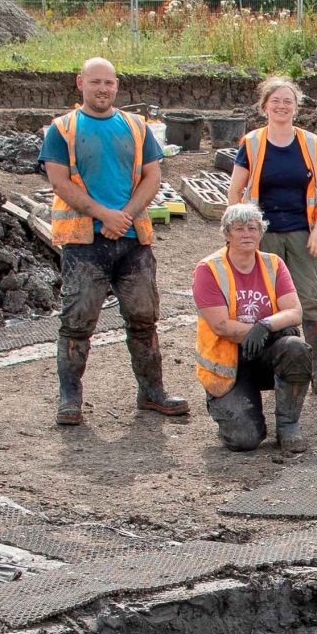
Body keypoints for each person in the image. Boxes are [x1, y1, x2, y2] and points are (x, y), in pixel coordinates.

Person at [39, 56, 186, 426]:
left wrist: (126, 215)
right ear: (80, 83)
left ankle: (152, 393)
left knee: (143, 319)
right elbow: (59, 182)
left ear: (117, 85)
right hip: (84, 243)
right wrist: (105, 215)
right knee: (77, 322)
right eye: (95, 82)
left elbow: (152, 177)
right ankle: (70, 400)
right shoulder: (62, 129)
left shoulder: (137, 127)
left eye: (109, 83)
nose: (102, 89)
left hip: (133, 241)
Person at [226, 75, 317, 395]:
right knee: (267, 303)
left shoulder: (311, 143)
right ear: (264, 107)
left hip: (303, 234)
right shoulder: (252, 143)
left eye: (288, 101)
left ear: (296, 108)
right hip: (265, 236)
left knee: (311, 300)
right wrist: (243, 232)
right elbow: (235, 191)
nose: (282, 106)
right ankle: (275, 366)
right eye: (275, 101)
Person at [191, 203, 312, 453]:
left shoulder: (274, 264)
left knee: (295, 348)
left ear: (261, 232)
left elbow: (295, 312)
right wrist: (267, 329)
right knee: (245, 440)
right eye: (239, 229)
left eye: (252, 228)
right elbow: (221, 325)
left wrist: (265, 325)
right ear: (227, 234)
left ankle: (288, 426)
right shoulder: (209, 270)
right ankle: (225, 406)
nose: (247, 234)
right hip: (229, 362)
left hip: (265, 353)